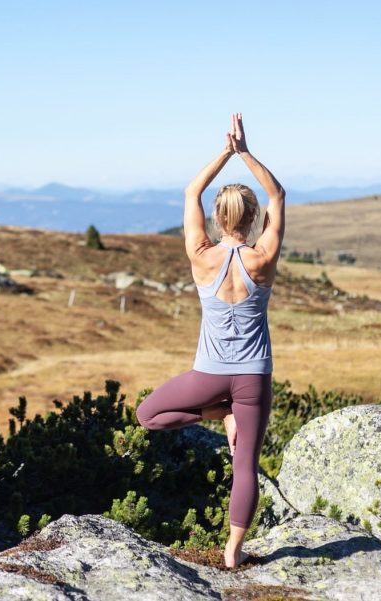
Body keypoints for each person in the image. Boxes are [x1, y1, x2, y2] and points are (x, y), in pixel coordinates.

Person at [135, 112, 285, 568]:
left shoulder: (201, 255)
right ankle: (233, 552)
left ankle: (215, 411)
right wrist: (246, 153)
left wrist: (225, 152)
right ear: (255, 217)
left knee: (147, 415)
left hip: (210, 374)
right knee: (246, 464)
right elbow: (278, 192)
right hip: (254, 377)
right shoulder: (263, 257)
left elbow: (190, 192)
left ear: (217, 219)